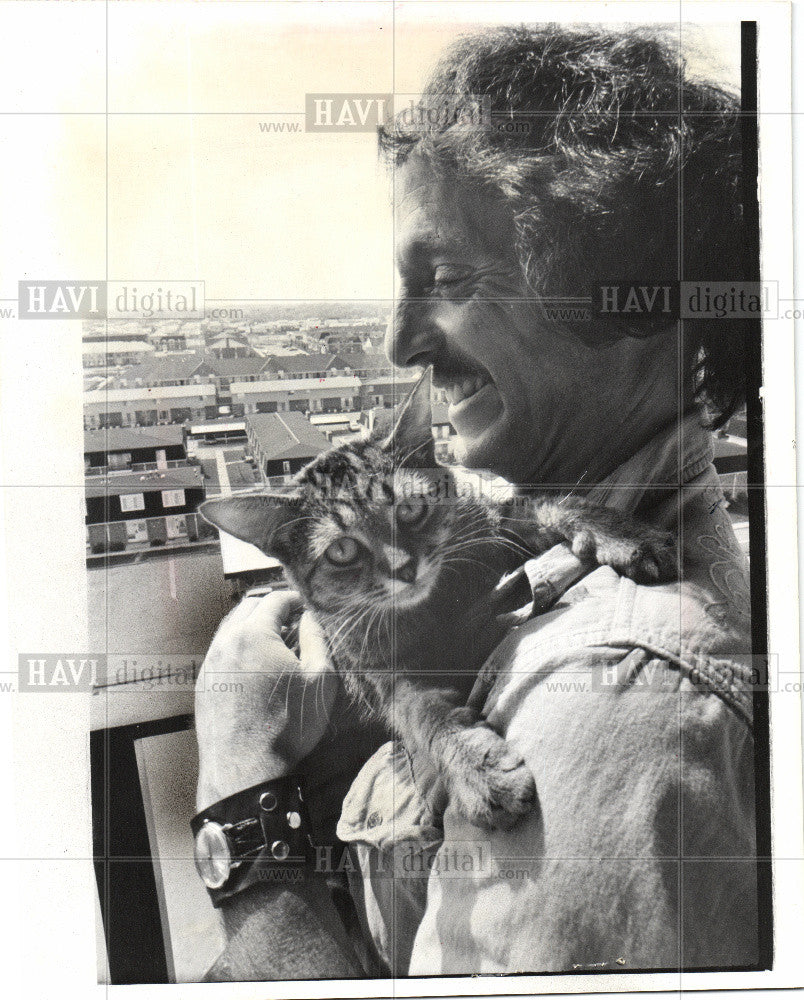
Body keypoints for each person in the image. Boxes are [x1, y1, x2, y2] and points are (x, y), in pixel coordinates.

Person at [193, 25, 758, 980]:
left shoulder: (616, 696)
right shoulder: (622, 547)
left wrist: (240, 778)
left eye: (446, 279)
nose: (397, 345)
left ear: (626, 301)